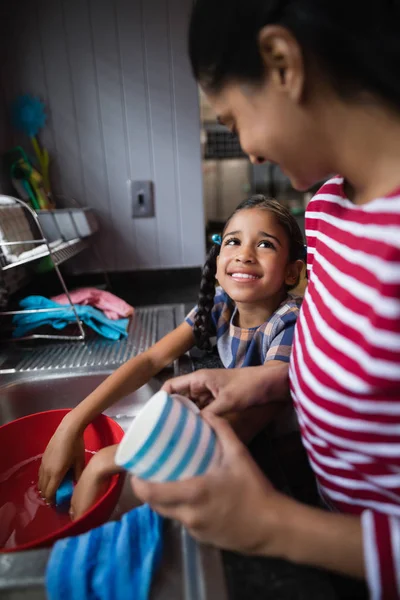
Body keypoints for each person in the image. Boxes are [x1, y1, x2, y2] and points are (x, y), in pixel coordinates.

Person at [130, 1, 400, 598]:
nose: (247, 150)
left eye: (233, 118)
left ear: (282, 63)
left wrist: (272, 526)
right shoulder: (329, 205)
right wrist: (274, 382)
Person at [39, 195, 304, 517]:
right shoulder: (220, 306)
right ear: (218, 263)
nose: (245, 255)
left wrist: (112, 459)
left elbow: (253, 412)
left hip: (281, 471)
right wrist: (73, 422)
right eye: (233, 241)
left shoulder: (289, 322)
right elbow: (151, 361)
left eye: (265, 245)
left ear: (292, 273)